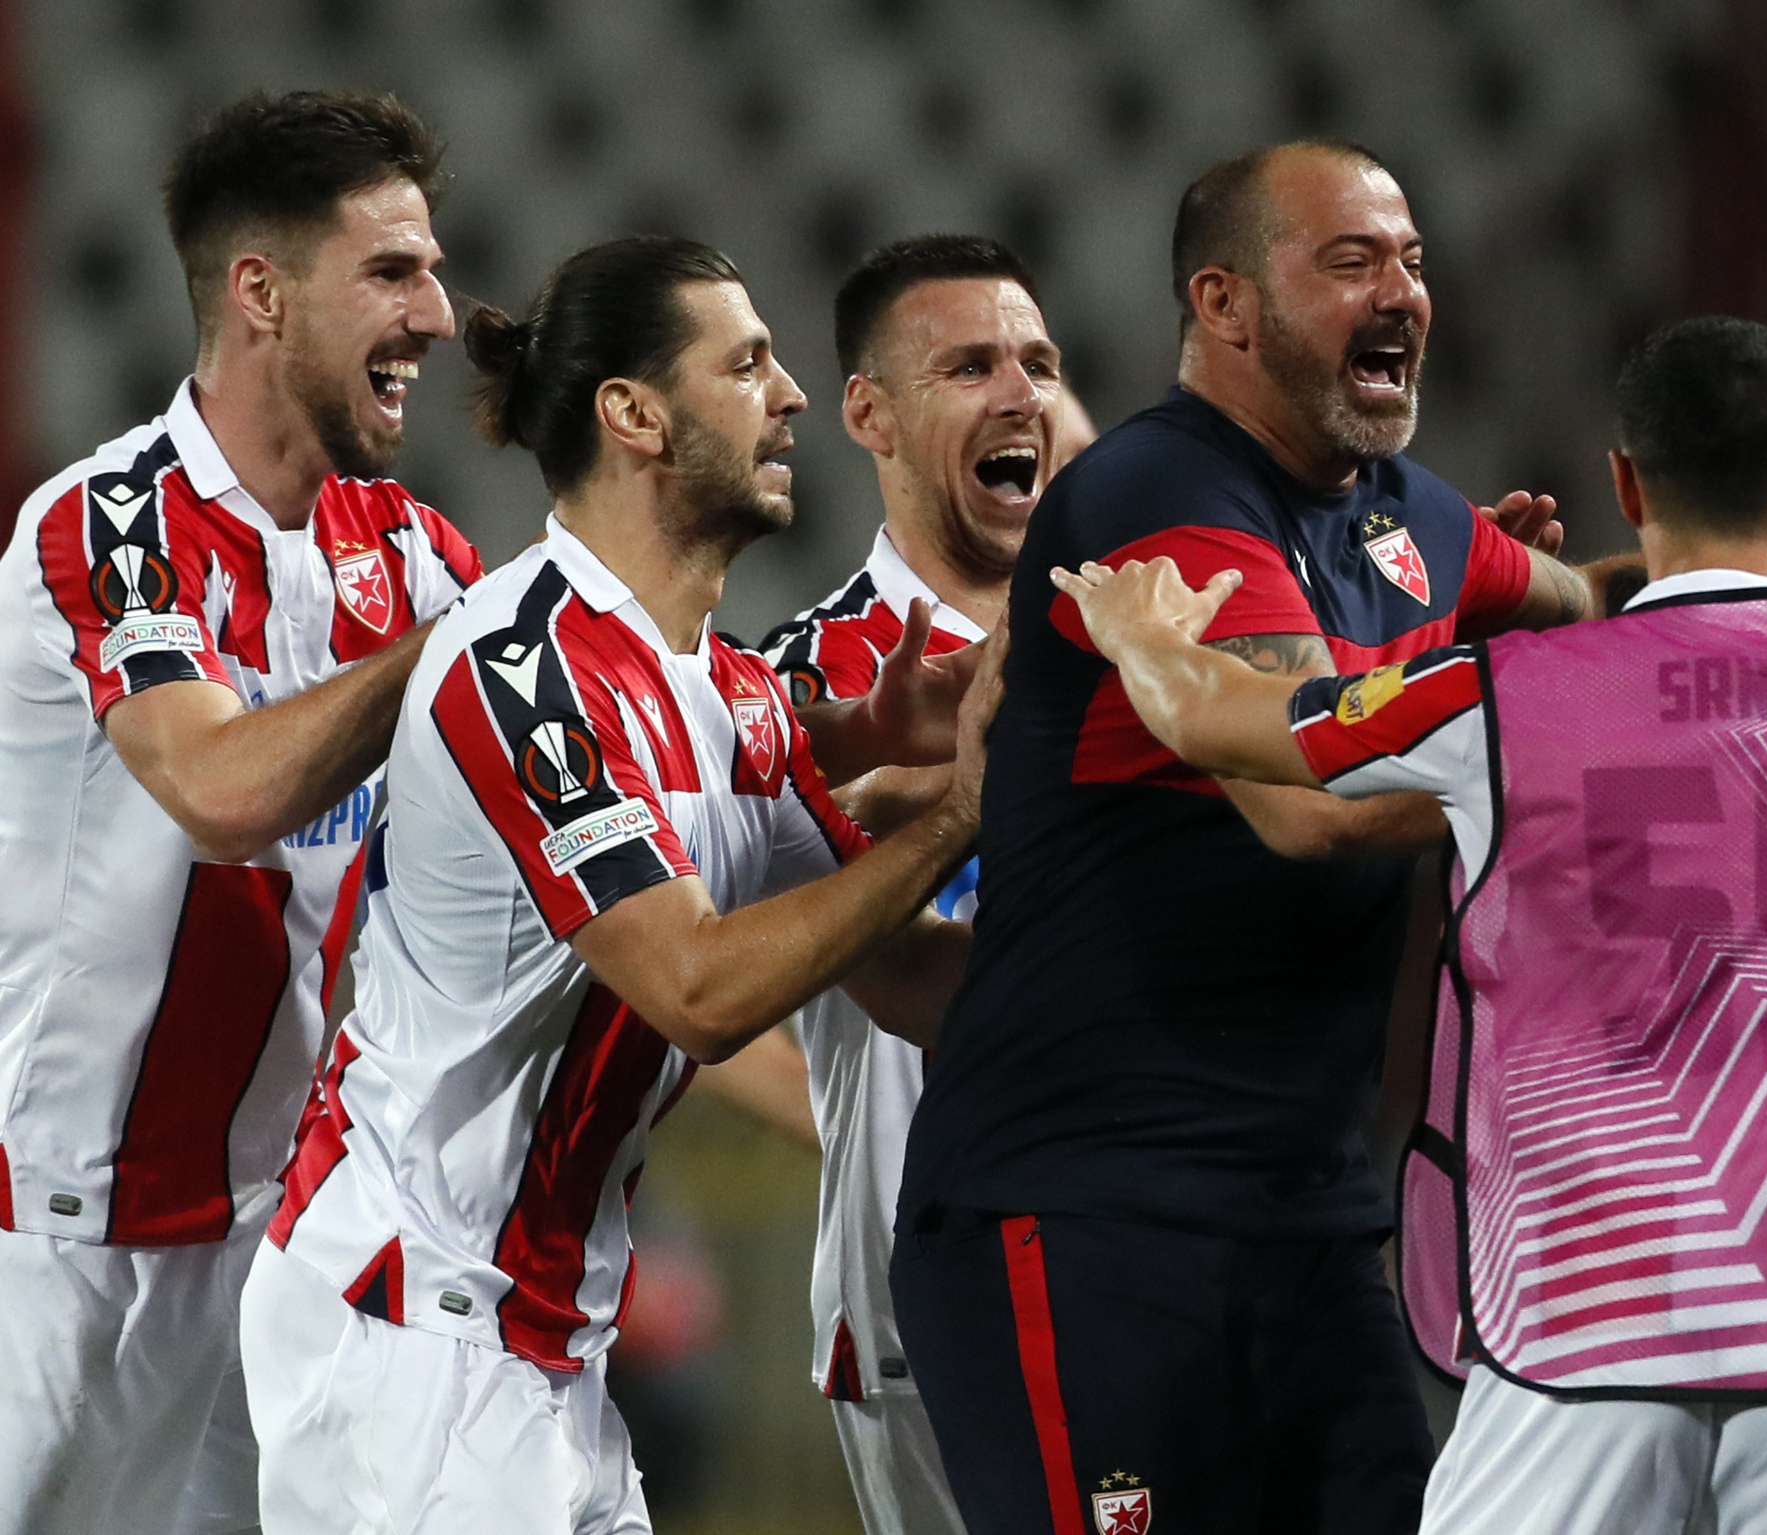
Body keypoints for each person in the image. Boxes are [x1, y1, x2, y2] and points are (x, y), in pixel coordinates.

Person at [1048, 314, 1767, 1534]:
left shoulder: (1498, 694)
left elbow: (1222, 719)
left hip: (1583, 1319)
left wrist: (1142, 633)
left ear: (1625, 479)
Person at [888, 139, 1616, 1535]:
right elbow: (1312, 796)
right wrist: (1576, 763)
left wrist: (1751, 603)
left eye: (1411, 260)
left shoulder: (1411, 518)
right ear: (1224, 305)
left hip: (1309, 1215)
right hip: (1090, 1211)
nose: (1402, 290)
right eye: (1352, 260)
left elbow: (1588, 604)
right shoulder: (1159, 497)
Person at [240, 235, 995, 1533]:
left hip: (547, 1359)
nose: (793, 395)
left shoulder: (740, 700)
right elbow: (700, 984)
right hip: (407, 1340)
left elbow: (915, 982)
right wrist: (968, 805)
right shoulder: (522, 667)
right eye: (747, 363)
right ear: (634, 413)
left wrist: (1093, 828)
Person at [0, 90, 476, 1535]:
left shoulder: (414, 555)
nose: (440, 315)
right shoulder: (109, 523)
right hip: (62, 1243)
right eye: (392, 271)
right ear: (262, 292)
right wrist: (457, 648)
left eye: (434, 270)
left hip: (283, 1246)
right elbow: (220, 793)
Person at [739, 232, 1072, 1535]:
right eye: (970, 363)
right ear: (867, 411)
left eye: (1040, 363)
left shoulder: (1143, 646)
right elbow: (703, 986)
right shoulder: (797, 689)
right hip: (917, 1309)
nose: (1020, 393)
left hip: (1136, 1252)